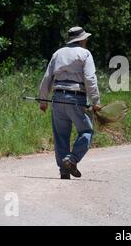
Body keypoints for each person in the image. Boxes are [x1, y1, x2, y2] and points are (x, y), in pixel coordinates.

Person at [38, 26, 101, 180]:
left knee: (60, 136)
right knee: (86, 131)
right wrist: (95, 101)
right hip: (76, 98)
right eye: (85, 38)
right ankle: (71, 159)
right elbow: (90, 79)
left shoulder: (57, 54)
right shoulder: (85, 54)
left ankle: (64, 170)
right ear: (82, 39)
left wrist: (43, 100)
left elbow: (47, 77)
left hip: (57, 98)